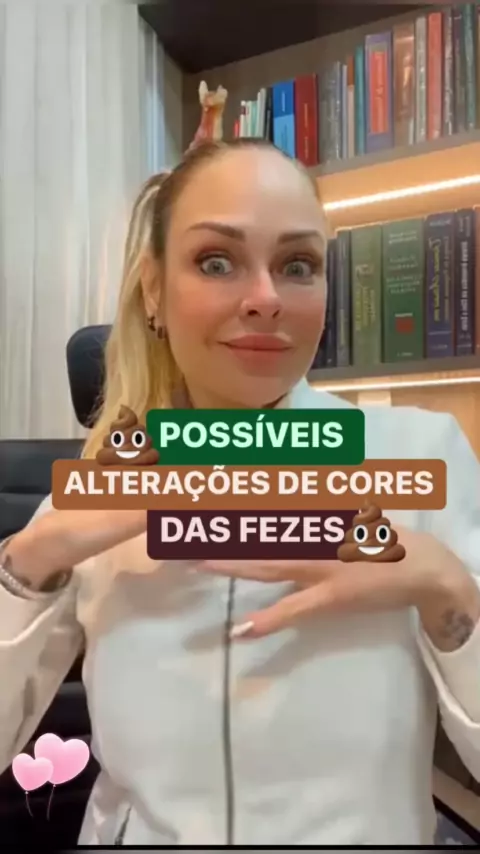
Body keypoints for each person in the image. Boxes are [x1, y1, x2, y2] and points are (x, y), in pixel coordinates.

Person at [1, 139, 479, 846]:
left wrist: (448, 592)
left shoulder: (419, 452)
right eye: (216, 261)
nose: (265, 299)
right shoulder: (104, 482)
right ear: (153, 289)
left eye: (298, 265)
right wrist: (29, 564)